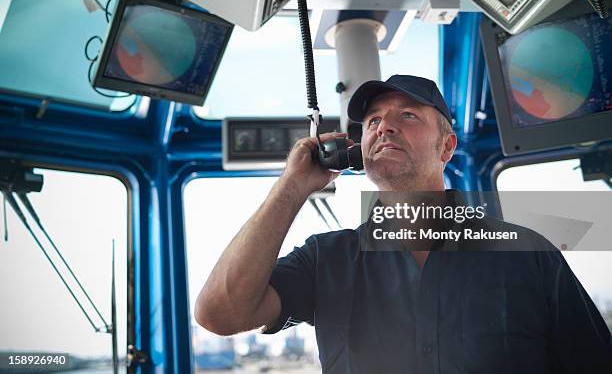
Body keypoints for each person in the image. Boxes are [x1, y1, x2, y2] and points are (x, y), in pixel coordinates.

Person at [194, 75, 612, 373]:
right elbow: (220, 313)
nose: (384, 126)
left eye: (408, 116)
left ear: (446, 146)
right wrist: (292, 186)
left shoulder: (526, 253)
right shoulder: (326, 259)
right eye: (373, 121)